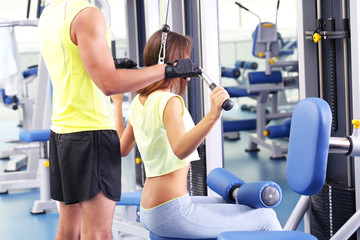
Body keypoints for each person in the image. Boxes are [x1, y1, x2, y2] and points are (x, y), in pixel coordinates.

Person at [37, 0, 200, 239]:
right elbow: (109, 85)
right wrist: (168, 69)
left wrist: (109, 65)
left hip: (62, 132)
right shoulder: (88, 15)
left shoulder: (49, 13)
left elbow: (74, 65)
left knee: (69, 228)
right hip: (91, 134)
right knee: (98, 234)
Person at [112, 30, 283, 239]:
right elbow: (181, 149)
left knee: (235, 203)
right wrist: (213, 115)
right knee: (266, 218)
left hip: (150, 208)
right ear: (174, 63)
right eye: (185, 57)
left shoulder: (140, 100)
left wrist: (118, 103)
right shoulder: (169, 101)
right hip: (171, 211)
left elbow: (122, 148)